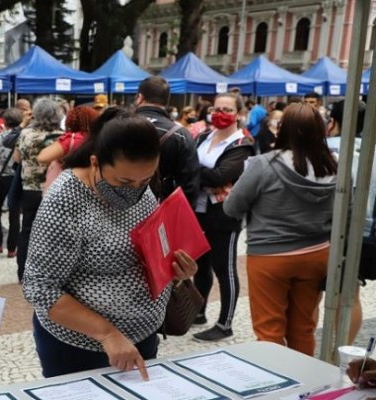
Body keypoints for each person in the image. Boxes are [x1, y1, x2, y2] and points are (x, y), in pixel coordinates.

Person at [23, 108, 198, 378]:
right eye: (124, 181)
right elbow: (40, 287)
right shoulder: (65, 200)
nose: (134, 190)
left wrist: (175, 271)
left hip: (141, 335)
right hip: (79, 347)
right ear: (96, 162)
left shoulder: (140, 189)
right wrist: (106, 333)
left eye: (145, 180)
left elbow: (147, 245)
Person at [223, 104, 336, 356]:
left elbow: (232, 207)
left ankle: (278, 388)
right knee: (304, 328)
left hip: (269, 257)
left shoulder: (264, 164)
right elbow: (346, 212)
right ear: (321, 130)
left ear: (282, 129)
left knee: (269, 330)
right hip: (317, 253)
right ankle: (306, 386)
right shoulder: (335, 166)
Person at [192, 92, 255, 342]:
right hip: (199, 211)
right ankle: (198, 312)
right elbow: (209, 173)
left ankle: (225, 323)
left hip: (225, 215)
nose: (221, 113)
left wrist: (192, 170)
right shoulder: (204, 137)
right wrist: (200, 173)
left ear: (239, 114)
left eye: (227, 110)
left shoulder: (243, 144)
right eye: (217, 108)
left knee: (225, 267)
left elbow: (221, 175)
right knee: (201, 266)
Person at [323, 99, 366, 344]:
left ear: (334, 121)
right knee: (351, 294)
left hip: (328, 230)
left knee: (315, 294)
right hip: (364, 231)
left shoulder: (326, 148)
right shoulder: (371, 147)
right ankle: (343, 349)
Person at [14, 98, 64, 283]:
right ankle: (47, 274)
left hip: (29, 189)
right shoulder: (62, 136)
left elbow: (17, 158)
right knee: (53, 232)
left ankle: (22, 273)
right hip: (53, 190)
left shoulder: (26, 134)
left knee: (26, 229)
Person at [133, 76, 200, 205]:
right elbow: (190, 187)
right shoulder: (181, 134)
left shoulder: (115, 125)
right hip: (158, 208)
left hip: (116, 209)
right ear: (166, 101)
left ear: (140, 97)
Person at [0, 108, 22, 258]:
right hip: (16, 178)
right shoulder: (23, 137)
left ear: (5, 122)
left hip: (0, 178)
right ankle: (12, 249)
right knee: (14, 213)